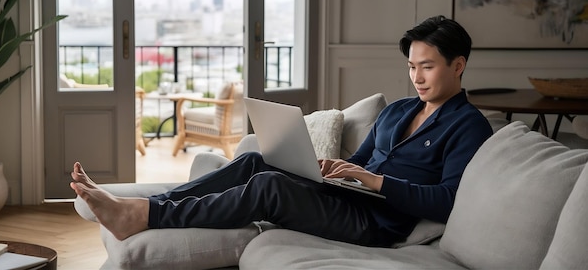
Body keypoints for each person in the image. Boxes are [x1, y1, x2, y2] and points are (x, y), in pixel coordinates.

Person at [71, 15, 493, 247]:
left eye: (428, 67)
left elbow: (448, 201)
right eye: (411, 67)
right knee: (255, 160)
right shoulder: (399, 109)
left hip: (377, 223)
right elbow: (359, 161)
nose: (417, 77)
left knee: (269, 186)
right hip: (347, 197)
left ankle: (143, 215)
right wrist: (331, 168)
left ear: (458, 65)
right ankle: (150, 205)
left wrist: (374, 181)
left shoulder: (467, 126)